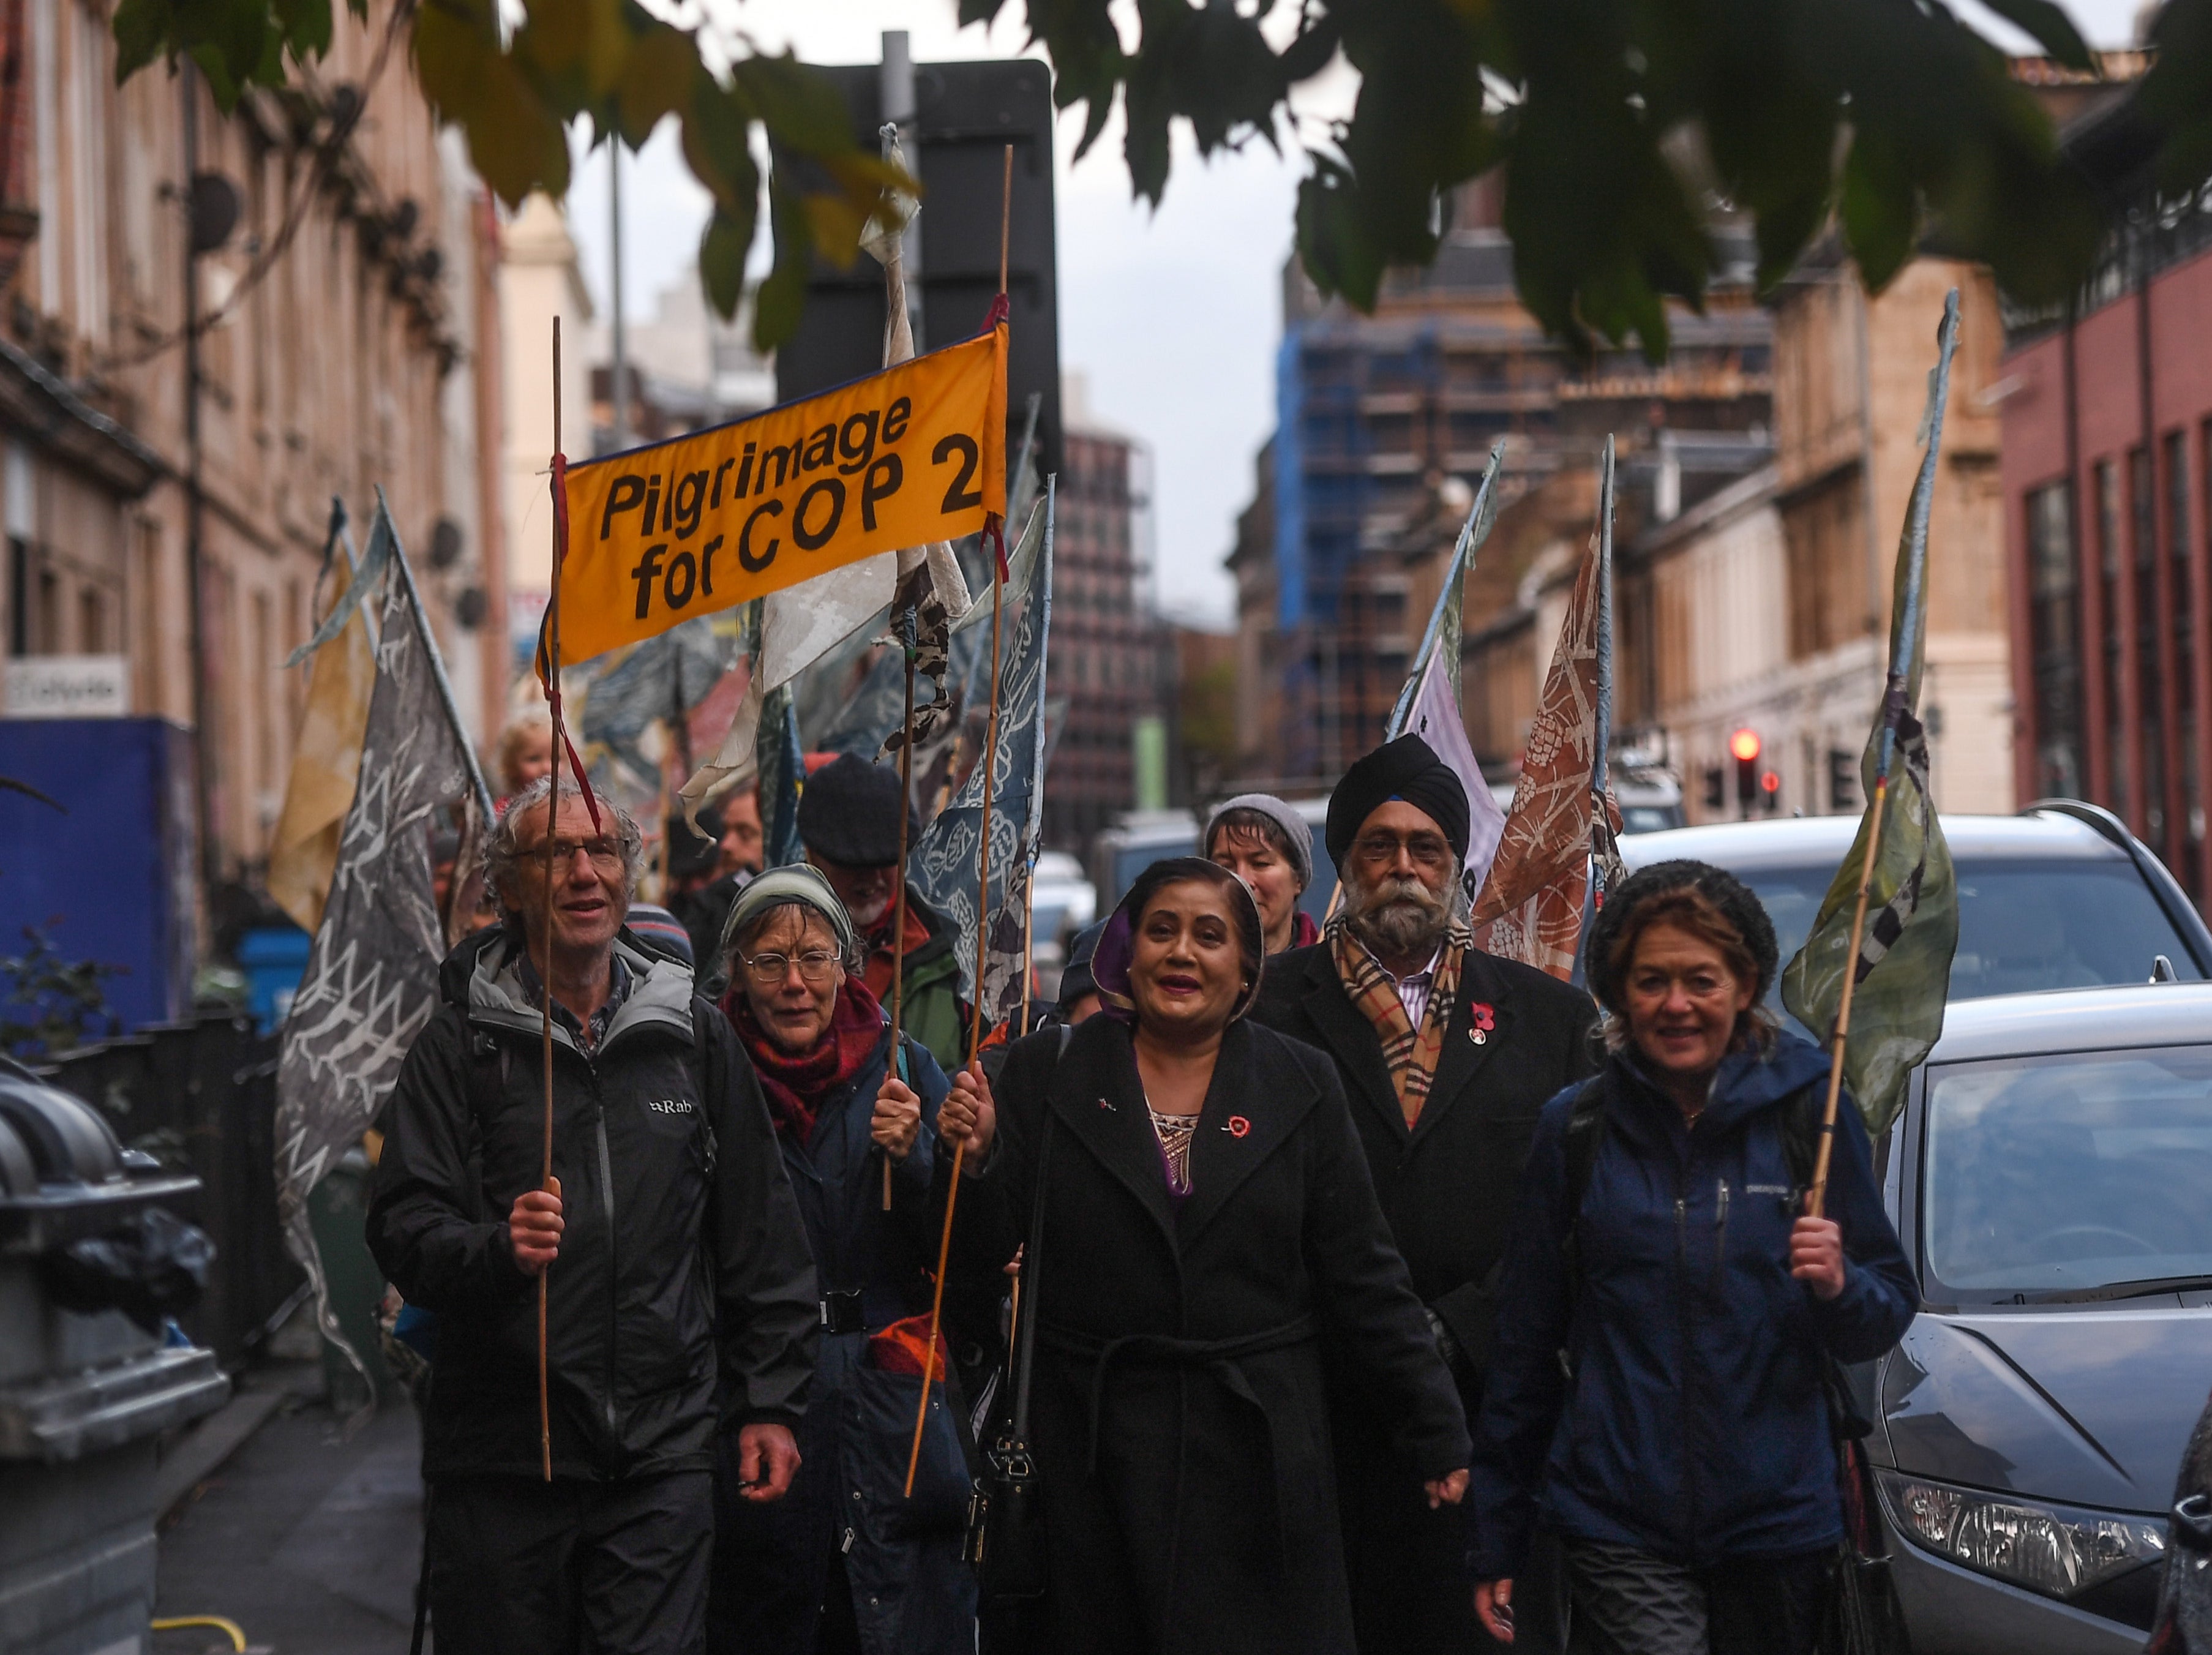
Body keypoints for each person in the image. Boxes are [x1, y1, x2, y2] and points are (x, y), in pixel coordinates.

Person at [935, 857, 1471, 1654]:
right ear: (1129, 952)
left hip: (1257, 1466)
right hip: (1089, 1468)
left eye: (1209, 934)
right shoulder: (1049, 1072)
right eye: (1161, 930)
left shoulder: (1301, 1082)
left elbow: (1364, 1274)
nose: (1182, 951)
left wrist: (1435, 1427)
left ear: (1246, 965)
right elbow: (972, 1263)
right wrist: (975, 1163)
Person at [365, 777, 819, 1655]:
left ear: (628, 873)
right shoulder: (458, 1045)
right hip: (502, 1463)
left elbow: (760, 1234)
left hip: (661, 1459)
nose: (583, 871)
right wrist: (497, 1250)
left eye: (603, 849)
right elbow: (403, 1229)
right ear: (506, 887)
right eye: (553, 853)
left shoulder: (692, 1035)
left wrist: (769, 1402)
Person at [1467, 860, 1916, 1655]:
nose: (1676, 1003)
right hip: (1617, 1517)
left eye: (1700, 979)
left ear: (1744, 984)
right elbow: (1524, 1346)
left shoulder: (1811, 1113)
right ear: (1616, 990)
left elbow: (1880, 1314)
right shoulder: (1575, 1131)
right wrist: (1498, 1530)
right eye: (1651, 980)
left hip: (1778, 1521)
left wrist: (1840, 1282)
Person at [1248, 732, 1600, 1655]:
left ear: (1455, 864)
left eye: (1426, 846)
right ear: (1345, 862)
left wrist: (1460, 1329)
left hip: (1496, 1423)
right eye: (1379, 843)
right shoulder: (1263, 1010)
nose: (1403, 864)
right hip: (1323, 1420)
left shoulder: (1551, 1018)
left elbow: (1576, 1222)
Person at [707, 866, 976, 1654]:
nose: (795, 983)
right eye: (769, 961)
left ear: (845, 966)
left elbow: (972, 1247)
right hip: (763, 1398)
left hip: (893, 1404)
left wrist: (921, 1155)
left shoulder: (905, 1069)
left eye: (815, 958)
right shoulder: (709, 1076)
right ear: (737, 973)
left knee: (898, 1617)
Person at [800, 752, 972, 1071]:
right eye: (851, 864)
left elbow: (996, 1061)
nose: (871, 880)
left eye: (885, 861)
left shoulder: (959, 949)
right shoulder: (771, 939)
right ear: (812, 855)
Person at [1205, 792, 1319, 953]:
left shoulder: (1336, 971)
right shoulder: (1188, 969)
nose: (1242, 880)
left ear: (1298, 880)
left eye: (1260, 864)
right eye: (1225, 866)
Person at [494, 710, 553, 801]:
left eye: (556, 759)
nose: (547, 768)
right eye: (534, 759)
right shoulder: (505, 811)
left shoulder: (572, 808)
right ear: (511, 766)